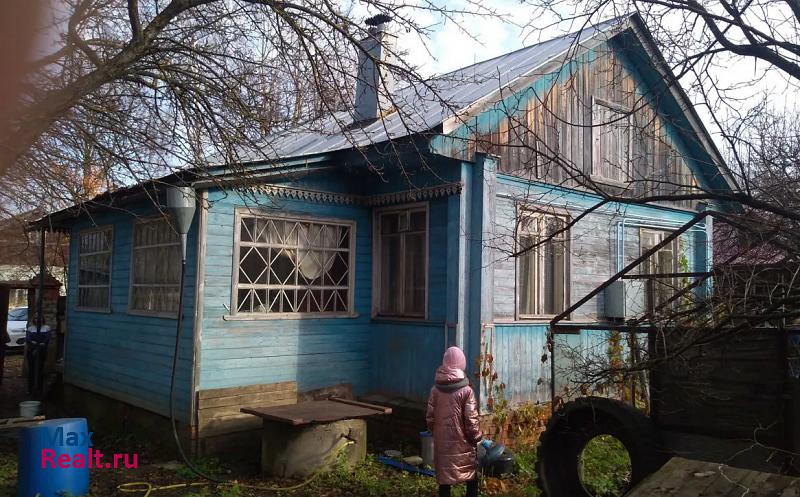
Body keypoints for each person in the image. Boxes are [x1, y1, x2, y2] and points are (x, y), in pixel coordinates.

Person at [425, 346, 482, 497]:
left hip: (442, 444)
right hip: (463, 445)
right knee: (471, 477)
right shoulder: (467, 391)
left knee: (444, 480)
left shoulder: (435, 390)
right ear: (462, 364)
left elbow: (430, 418)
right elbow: (471, 421)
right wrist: (477, 438)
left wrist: (436, 433)